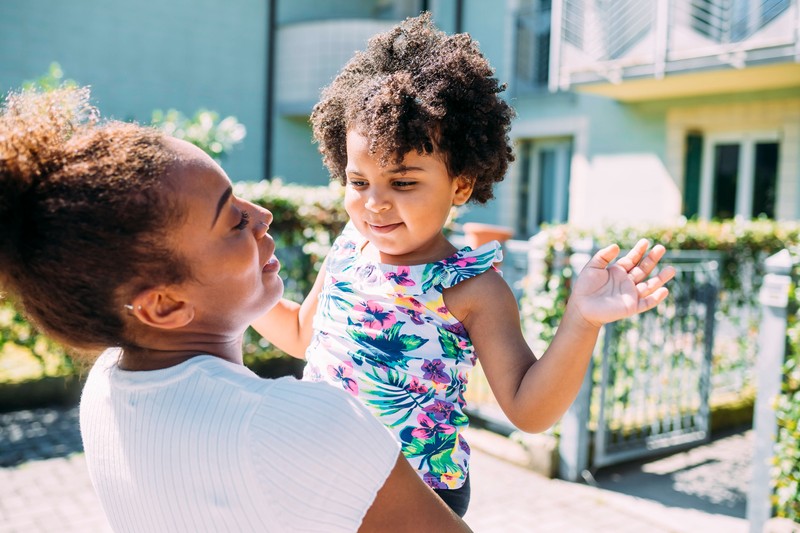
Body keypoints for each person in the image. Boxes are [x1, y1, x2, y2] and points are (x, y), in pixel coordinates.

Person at [252, 13, 676, 517]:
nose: (375, 203)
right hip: (323, 478)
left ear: (461, 185)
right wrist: (236, 289)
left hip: (419, 496)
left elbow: (528, 410)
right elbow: (302, 335)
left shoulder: (474, 288)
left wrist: (581, 320)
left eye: (403, 182)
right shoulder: (348, 247)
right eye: (359, 182)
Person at [0, 87, 472, 532]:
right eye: (232, 219)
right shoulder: (304, 426)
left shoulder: (105, 389)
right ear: (164, 305)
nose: (262, 216)